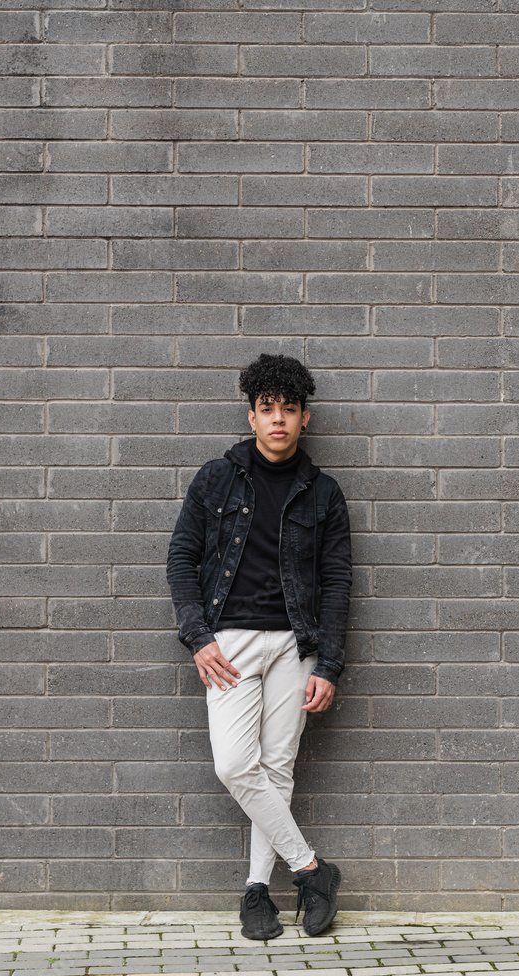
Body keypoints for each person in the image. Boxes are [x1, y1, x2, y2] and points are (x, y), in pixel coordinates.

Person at [166, 353, 352, 940]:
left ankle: (256, 892)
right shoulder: (215, 479)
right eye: (267, 408)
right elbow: (181, 559)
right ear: (251, 416)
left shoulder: (324, 494)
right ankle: (312, 870)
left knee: (276, 768)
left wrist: (329, 664)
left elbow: (337, 582)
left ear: (303, 418)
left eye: (288, 409)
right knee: (234, 765)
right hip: (231, 644)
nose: (278, 419)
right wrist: (198, 638)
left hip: (296, 645)